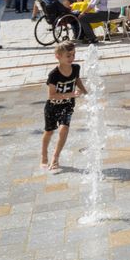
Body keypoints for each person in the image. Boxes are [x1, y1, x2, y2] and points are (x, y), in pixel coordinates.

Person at [41, 41, 87, 172]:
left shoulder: (76, 68)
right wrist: (71, 94)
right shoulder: (54, 75)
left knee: (64, 129)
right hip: (52, 107)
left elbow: (76, 79)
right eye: (68, 56)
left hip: (68, 105)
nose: (72, 58)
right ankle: (44, 156)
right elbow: (51, 96)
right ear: (58, 56)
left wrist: (85, 92)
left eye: (73, 55)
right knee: (49, 132)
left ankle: (55, 157)